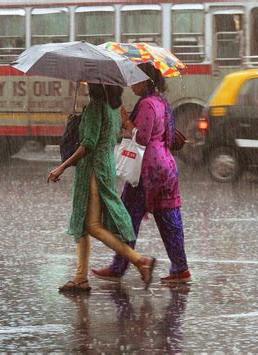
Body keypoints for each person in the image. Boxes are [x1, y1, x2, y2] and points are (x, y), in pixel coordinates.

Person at [48, 83, 156, 291]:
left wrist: (61, 167)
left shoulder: (96, 107)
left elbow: (87, 144)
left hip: (93, 170)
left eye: (90, 83)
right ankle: (81, 276)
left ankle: (140, 260)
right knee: (83, 221)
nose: (86, 86)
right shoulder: (114, 108)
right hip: (105, 166)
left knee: (92, 226)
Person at [92, 63, 191, 284]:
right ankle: (180, 268)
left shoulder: (147, 104)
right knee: (169, 220)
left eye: (134, 78)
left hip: (147, 170)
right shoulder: (162, 102)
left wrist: (125, 118)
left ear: (146, 80)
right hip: (166, 167)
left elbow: (142, 138)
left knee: (127, 217)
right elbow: (169, 134)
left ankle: (119, 266)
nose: (131, 83)